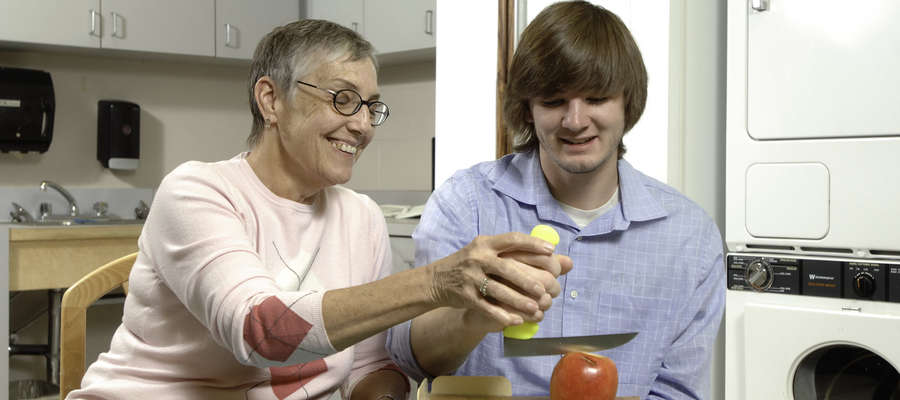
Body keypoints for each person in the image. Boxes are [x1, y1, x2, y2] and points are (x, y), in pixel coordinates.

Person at [67, 19, 570, 400]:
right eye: (344, 99)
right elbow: (261, 331)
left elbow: (371, 367)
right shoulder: (198, 191)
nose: (363, 125)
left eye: (371, 106)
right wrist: (436, 282)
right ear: (270, 100)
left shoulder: (361, 216)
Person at [387, 2, 725, 399]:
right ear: (528, 109)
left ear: (627, 102)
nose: (575, 120)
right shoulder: (466, 204)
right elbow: (413, 361)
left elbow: (678, 392)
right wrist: (477, 314)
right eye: (553, 101)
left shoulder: (690, 237)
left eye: (596, 98)